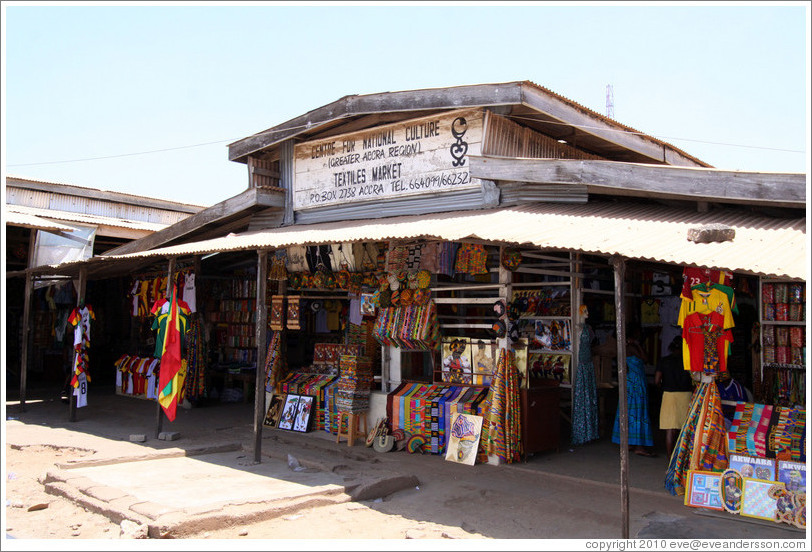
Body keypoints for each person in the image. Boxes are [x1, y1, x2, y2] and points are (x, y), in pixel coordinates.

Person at [612, 325, 656, 457]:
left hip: (630, 381)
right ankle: (638, 445)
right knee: (638, 412)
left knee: (629, 411)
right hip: (636, 382)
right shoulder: (631, 347)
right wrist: (638, 345)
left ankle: (629, 442)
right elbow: (646, 358)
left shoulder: (624, 347)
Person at [655, 336, 694, 459]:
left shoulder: (664, 361)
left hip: (669, 395)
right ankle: (684, 458)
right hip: (686, 395)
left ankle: (669, 457)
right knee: (686, 429)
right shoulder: (689, 361)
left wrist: (662, 386)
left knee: (669, 430)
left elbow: (657, 380)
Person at [571, 305, 599, 446]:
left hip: (588, 364)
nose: (587, 313)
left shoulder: (588, 329)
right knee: (584, 397)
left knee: (589, 397)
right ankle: (583, 432)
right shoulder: (578, 328)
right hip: (582, 364)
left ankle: (590, 431)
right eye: (585, 311)